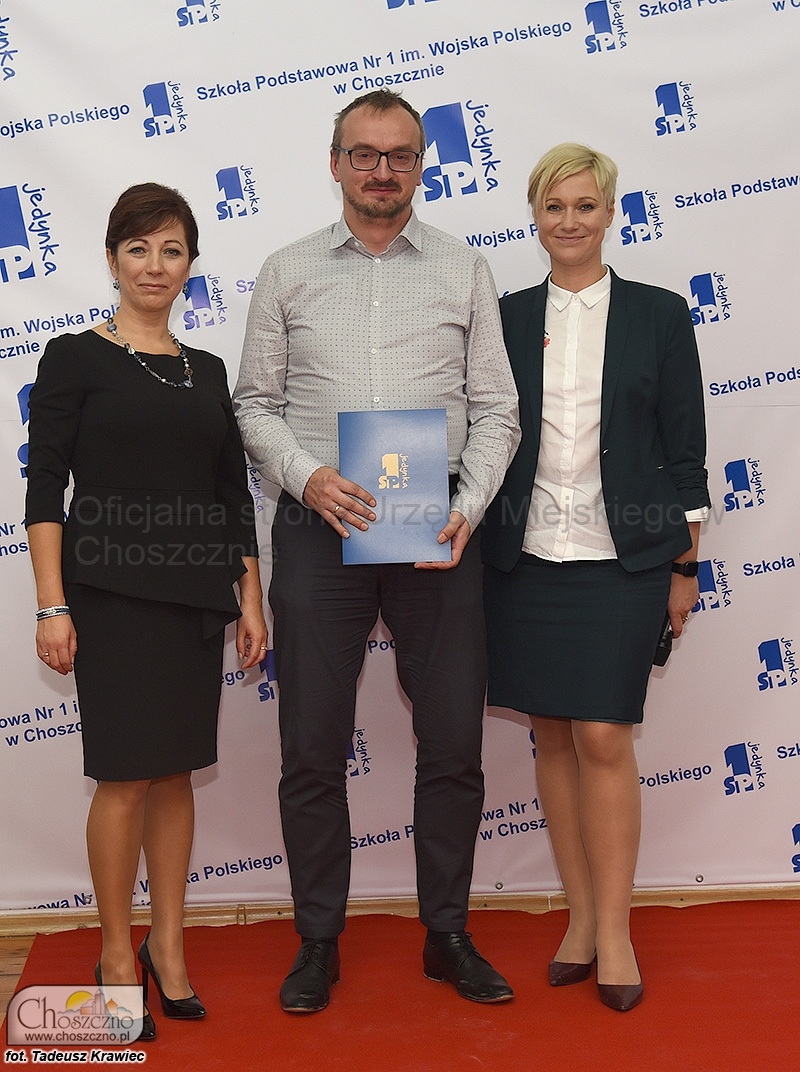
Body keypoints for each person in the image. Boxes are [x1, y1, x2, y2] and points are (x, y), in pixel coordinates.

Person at [234, 89, 520, 1013]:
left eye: (400, 155)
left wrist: (466, 507)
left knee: (455, 745)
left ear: (422, 165)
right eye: (364, 153)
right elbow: (253, 406)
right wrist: (308, 477)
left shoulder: (464, 269)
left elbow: (498, 409)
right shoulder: (286, 270)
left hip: (437, 532)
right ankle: (318, 940)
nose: (382, 170)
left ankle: (447, 934)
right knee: (312, 747)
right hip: (320, 530)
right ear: (336, 163)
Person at [26, 183, 267, 1040]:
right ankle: (116, 953)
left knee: (175, 773)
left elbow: (231, 494)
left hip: (195, 596)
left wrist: (250, 594)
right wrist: (50, 604)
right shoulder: (73, 357)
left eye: (171, 250)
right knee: (125, 776)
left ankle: (168, 944)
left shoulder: (208, 370)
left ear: (191, 264)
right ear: (112, 259)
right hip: (111, 596)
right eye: (138, 249)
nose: (155, 265)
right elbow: (45, 488)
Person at [482, 144, 710, 1012]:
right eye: (554, 206)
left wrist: (685, 564)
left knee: (604, 738)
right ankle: (578, 918)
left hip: (626, 559)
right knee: (550, 736)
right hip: (524, 558)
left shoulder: (660, 314)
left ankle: (616, 930)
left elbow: (685, 450)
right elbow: (483, 431)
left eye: (585, 205)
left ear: (611, 212)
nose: (569, 220)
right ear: (534, 217)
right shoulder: (505, 316)